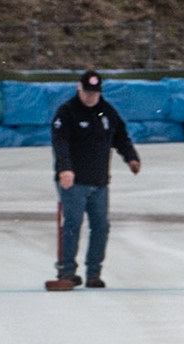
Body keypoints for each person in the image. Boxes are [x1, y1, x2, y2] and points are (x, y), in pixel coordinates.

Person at [46, 70, 140, 291]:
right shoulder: (66, 112)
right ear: (79, 88)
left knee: (101, 226)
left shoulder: (106, 112)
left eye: (94, 94)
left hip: (99, 182)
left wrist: (131, 157)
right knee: (72, 224)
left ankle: (94, 273)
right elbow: (60, 143)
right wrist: (65, 169)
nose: (90, 97)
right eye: (87, 92)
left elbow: (121, 137)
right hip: (73, 182)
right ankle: (67, 271)